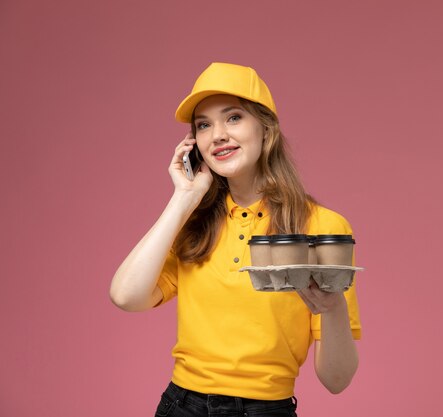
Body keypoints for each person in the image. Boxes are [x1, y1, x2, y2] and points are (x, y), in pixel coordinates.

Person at [110, 62, 361, 417]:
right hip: (182, 406)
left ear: (265, 128)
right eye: (203, 125)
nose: (217, 136)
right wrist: (183, 198)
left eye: (233, 118)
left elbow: (337, 380)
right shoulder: (193, 224)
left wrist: (332, 307)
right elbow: (125, 296)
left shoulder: (323, 226)